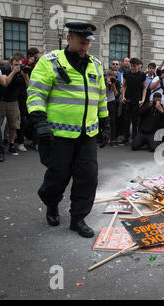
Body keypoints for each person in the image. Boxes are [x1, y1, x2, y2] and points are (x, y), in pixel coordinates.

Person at [27, 22, 110, 238]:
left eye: (87, 44)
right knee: (58, 177)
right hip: (58, 135)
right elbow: (36, 94)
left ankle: (78, 219)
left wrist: (106, 122)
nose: (84, 48)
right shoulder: (50, 62)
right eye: (81, 43)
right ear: (69, 38)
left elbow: (100, 97)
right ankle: (51, 203)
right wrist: (40, 122)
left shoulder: (96, 65)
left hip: (87, 135)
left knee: (88, 177)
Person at [0, 54, 29, 155]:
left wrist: (25, 77)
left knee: (14, 125)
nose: (18, 67)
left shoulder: (22, 71)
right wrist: (13, 72)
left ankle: (11, 145)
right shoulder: (4, 69)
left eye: (20, 65)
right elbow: (5, 83)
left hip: (14, 101)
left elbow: (29, 86)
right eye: (16, 64)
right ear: (11, 63)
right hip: (1, 100)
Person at [121, 58, 146, 145]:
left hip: (137, 100)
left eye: (134, 66)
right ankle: (126, 137)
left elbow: (144, 87)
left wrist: (143, 99)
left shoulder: (142, 75)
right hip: (128, 99)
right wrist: (123, 96)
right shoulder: (126, 73)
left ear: (138, 66)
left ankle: (134, 137)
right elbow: (123, 86)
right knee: (126, 119)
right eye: (131, 66)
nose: (133, 68)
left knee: (135, 120)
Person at [105, 70, 119, 146]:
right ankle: (103, 137)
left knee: (113, 120)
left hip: (111, 102)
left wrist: (113, 85)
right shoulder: (103, 81)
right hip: (103, 102)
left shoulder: (115, 82)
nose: (110, 80)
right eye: (109, 78)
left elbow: (116, 94)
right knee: (103, 120)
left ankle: (113, 138)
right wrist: (106, 84)